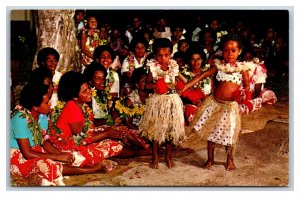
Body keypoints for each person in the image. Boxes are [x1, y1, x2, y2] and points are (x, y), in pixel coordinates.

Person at [187, 35, 251, 171]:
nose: (230, 54)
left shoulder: (242, 68)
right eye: (226, 50)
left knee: (230, 134)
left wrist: (244, 92)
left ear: (239, 51)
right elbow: (202, 75)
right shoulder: (219, 66)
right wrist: (185, 87)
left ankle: (230, 160)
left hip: (229, 107)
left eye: (233, 50)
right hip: (214, 104)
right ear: (222, 51)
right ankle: (210, 160)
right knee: (211, 132)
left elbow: (247, 85)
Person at [139, 38, 186, 169]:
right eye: (160, 55)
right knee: (156, 130)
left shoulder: (174, 66)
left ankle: (168, 157)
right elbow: (146, 86)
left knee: (170, 130)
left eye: (166, 55)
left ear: (170, 54)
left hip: (172, 100)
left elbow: (181, 80)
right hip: (158, 101)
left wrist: (180, 85)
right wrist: (155, 85)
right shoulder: (153, 68)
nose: (163, 58)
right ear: (155, 56)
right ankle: (155, 158)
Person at [83, 63, 150, 150]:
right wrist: (109, 120)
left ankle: (143, 146)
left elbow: (107, 116)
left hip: (105, 127)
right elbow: (91, 123)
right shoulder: (88, 98)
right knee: (123, 133)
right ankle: (145, 149)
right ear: (90, 81)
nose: (102, 81)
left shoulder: (103, 94)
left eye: (103, 78)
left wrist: (114, 117)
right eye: (98, 78)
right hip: (93, 131)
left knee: (127, 132)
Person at [180, 49, 214, 125]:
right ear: (189, 60)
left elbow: (212, 93)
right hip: (188, 108)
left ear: (202, 60)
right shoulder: (183, 75)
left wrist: (205, 102)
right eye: (193, 59)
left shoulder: (208, 74)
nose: (196, 62)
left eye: (198, 59)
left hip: (206, 106)